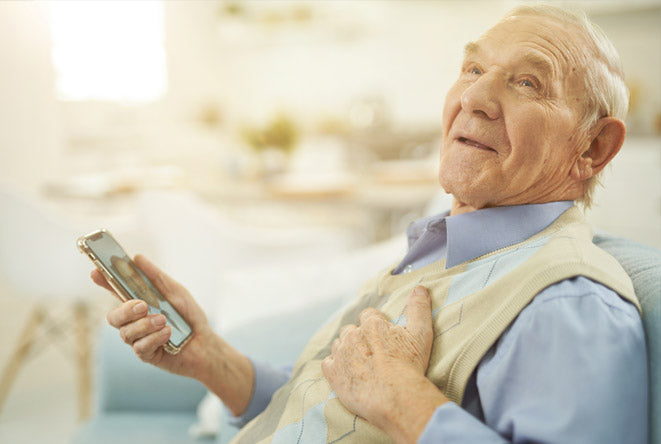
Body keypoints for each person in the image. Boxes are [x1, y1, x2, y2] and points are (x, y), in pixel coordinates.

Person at [92, 5, 648, 443]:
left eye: (528, 83)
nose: (474, 97)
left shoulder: (568, 305)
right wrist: (208, 356)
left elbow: (383, 400)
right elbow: (326, 408)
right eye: (473, 68)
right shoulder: (442, 250)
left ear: (594, 147)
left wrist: (405, 399)